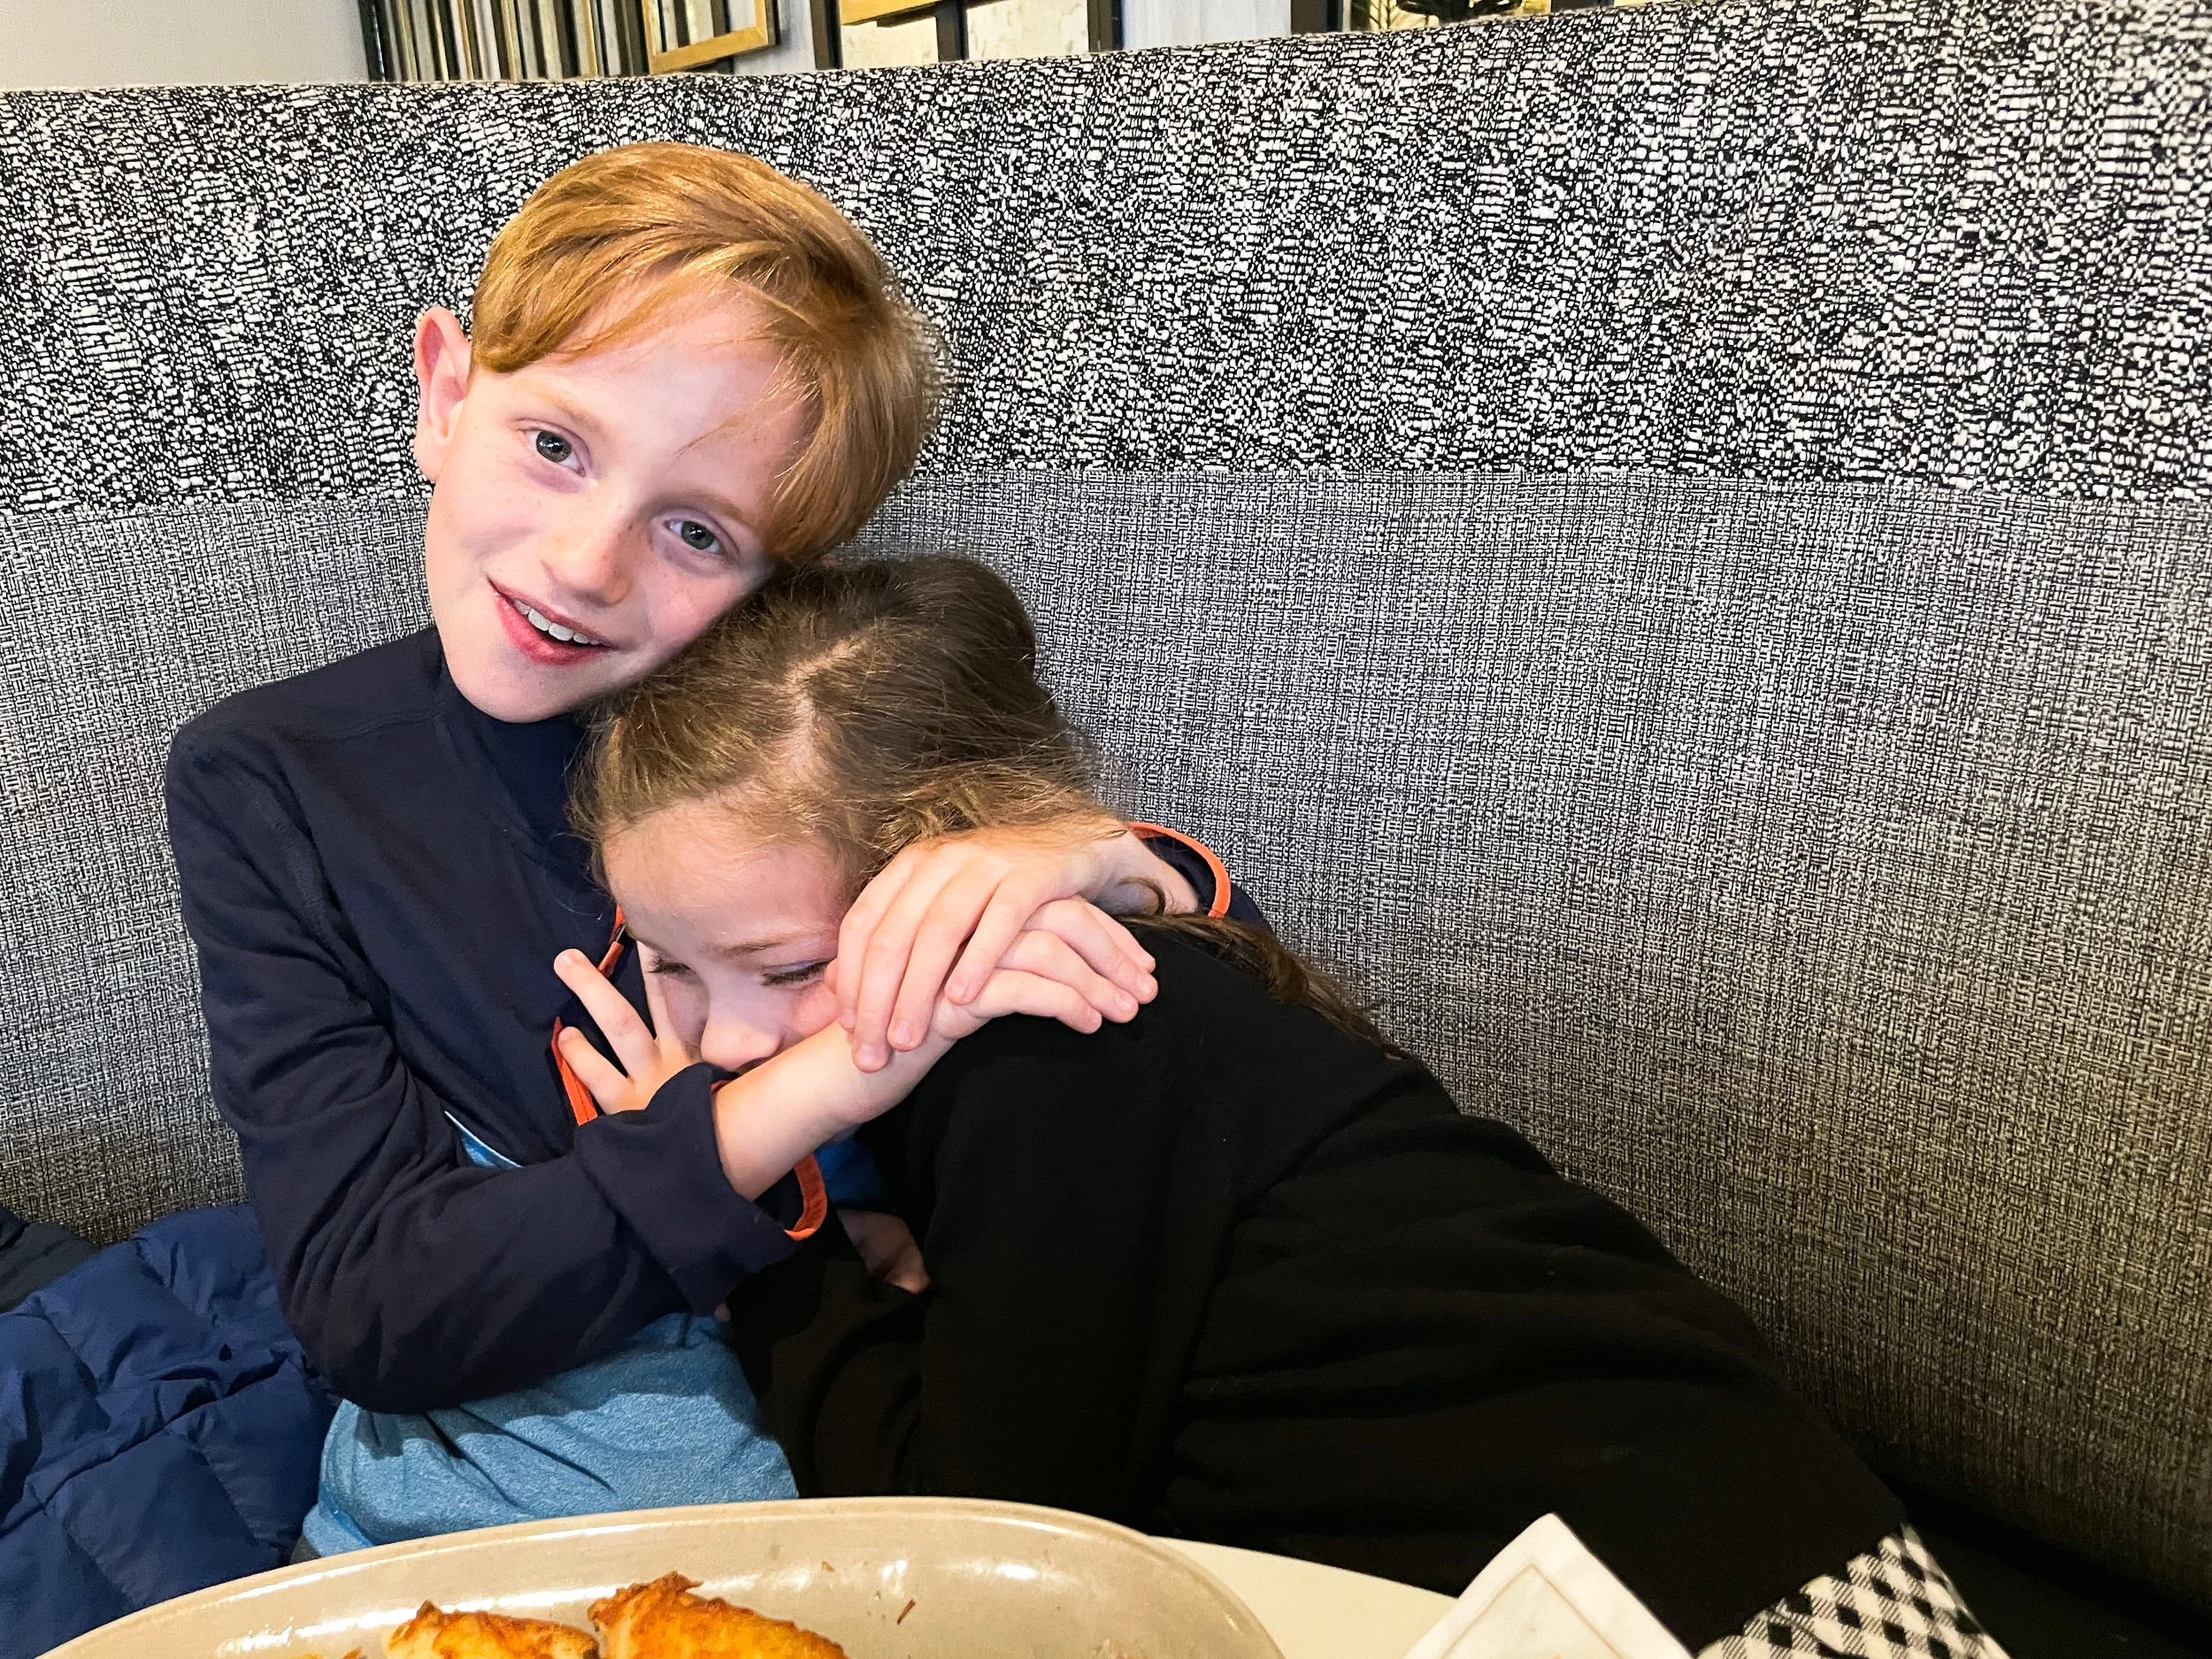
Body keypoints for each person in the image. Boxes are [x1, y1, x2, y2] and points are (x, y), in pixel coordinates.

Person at [556, 554, 1999, 1658]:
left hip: (1701, 1607)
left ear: (952, 877)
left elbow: (969, 1534)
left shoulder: (1060, 1048)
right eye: (669, 963)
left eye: (784, 968)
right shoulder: (1132, 996)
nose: (720, 1036)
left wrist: (762, 1233)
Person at [164, 143, 1240, 1548]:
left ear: (777, 581)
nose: (586, 565)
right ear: (443, 390)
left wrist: (1100, 862)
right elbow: (377, 1309)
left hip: (877, 1467)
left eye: (695, 530)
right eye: (554, 445)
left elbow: (1195, 1049)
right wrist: (770, 1112)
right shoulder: (273, 777)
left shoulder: (821, 739)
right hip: (500, 1507)